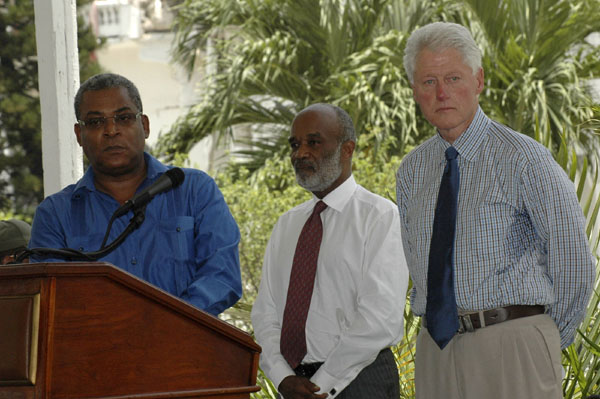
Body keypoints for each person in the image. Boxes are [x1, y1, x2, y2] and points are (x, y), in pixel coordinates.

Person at [395, 21, 595, 398]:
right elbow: (418, 269)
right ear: (414, 91)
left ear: (479, 80)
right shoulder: (411, 171)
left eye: (453, 78)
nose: (442, 93)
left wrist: (539, 337)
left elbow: (573, 263)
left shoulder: (523, 158)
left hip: (512, 348)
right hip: (436, 352)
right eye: (428, 82)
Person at [29, 73, 242, 316]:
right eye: (96, 122)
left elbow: (222, 277)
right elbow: (54, 301)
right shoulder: (55, 215)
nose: (111, 130)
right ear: (79, 135)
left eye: (124, 118)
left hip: (187, 347)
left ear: (145, 126)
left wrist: (168, 324)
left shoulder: (194, 190)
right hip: (98, 350)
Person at [251, 103, 409, 399]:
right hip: (295, 386)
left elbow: (379, 318)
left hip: (361, 382)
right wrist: (283, 378)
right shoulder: (287, 225)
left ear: (347, 149)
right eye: (295, 145)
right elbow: (265, 313)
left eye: (313, 142)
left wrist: (320, 385)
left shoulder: (381, 217)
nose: (300, 154)